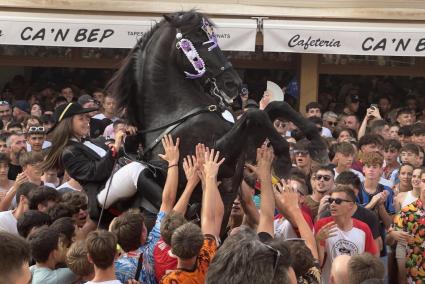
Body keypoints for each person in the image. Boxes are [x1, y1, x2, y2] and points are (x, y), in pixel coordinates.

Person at [41, 102, 162, 225]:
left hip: (115, 179)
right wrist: (113, 149)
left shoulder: (92, 141)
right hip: (100, 192)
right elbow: (95, 173)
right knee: (134, 169)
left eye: (87, 118)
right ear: (68, 123)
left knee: (155, 165)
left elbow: (126, 153)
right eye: (81, 119)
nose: (87, 122)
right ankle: (167, 208)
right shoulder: (68, 153)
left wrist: (131, 136)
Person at [162, 147, 226, 284]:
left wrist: (204, 181)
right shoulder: (206, 259)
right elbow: (213, 218)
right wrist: (209, 179)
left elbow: (167, 210)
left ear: (172, 247)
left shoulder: (168, 279)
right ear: (200, 247)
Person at [315, 185, 378, 283]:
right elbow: (318, 263)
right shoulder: (322, 225)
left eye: (338, 201)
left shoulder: (363, 228)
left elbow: (372, 259)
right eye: (331, 200)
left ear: (351, 205)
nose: (333, 204)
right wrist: (318, 240)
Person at [388, 169, 425, 284]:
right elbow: (390, 238)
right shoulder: (407, 211)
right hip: (414, 264)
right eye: (424, 180)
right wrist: (392, 232)